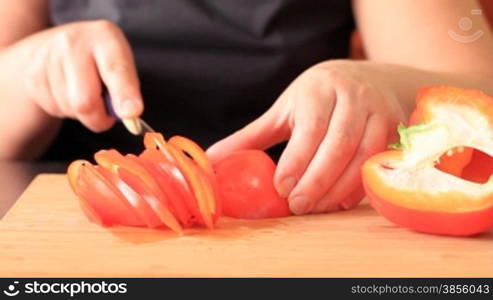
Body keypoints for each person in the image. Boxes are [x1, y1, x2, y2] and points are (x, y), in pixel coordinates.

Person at [1, 0, 492, 215]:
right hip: (85, 217)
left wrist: (383, 82)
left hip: (303, 212)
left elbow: (482, 89)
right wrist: (30, 67)